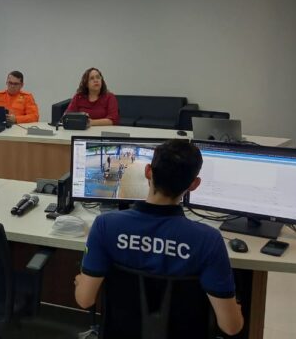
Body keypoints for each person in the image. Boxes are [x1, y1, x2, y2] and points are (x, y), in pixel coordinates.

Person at [74, 140, 244, 337]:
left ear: (148, 172)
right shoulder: (209, 240)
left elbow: (84, 300)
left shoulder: (105, 226)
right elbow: (231, 327)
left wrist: (80, 283)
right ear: (194, 184)